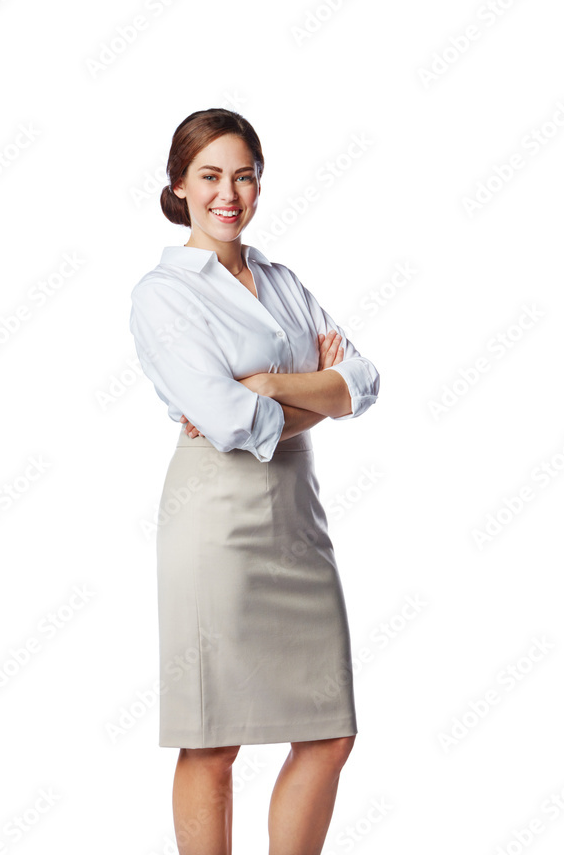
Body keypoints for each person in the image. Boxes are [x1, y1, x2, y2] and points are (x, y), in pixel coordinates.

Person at [129, 108, 380, 855]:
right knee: (214, 739)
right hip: (215, 524)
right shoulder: (162, 293)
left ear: (259, 183)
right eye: (209, 175)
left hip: (298, 521)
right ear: (180, 185)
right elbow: (232, 423)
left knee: (329, 733)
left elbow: (364, 381)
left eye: (243, 174)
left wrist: (272, 381)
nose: (227, 192)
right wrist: (318, 390)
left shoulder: (280, 280)